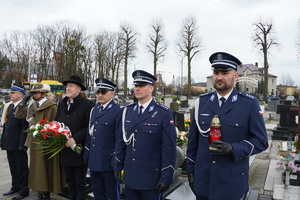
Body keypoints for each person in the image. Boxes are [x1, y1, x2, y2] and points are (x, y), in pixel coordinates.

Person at [186, 52, 269, 200]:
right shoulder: (201, 103)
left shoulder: (248, 104)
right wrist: (190, 170)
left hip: (231, 183)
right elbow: (193, 142)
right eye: (216, 72)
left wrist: (233, 148)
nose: (219, 77)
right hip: (203, 181)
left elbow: (261, 141)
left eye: (225, 73)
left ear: (235, 76)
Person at [113, 70, 176, 200]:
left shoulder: (163, 113)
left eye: (141, 86)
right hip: (130, 176)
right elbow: (121, 140)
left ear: (151, 88)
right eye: (136, 85)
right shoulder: (127, 111)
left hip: (151, 178)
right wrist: (117, 164)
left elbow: (168, 148)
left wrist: (166, 176)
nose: (137, 89)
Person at [14, 82, 66, 200]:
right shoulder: (33, 105)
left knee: (45, 168)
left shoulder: (51, 106)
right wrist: (23, 102)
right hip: (34, 140)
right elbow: (18, 115)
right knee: (36, 168)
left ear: (43, 93)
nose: (34, 95)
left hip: (45, 141)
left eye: (36, 93)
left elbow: (54, 124)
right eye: (32, 93)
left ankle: (45, 193)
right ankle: (39, 192)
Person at [55, 75, 95, 200]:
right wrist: (58, 135)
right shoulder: (62, 103)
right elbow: (57, 122)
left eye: (71, 86)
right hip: (65, 149)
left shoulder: (87, 104)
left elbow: (89, 126)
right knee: (70, 181)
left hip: (78, 149)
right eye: (67, 86)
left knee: (80, 182)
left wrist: (75, 139)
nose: (68, 88)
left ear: (79, 89)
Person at [84, 78, 123, 200]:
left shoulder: (118, 111)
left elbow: (119, 139)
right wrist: (87, 153)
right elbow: (90, 134)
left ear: (112, 93)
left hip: (109, 161)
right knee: (98, 192)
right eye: (98, 92)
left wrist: (117, 161)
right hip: (95, 159)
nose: (100, 95)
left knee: (112, 194)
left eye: (103, 92)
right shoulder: (95, 109)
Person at [0, 83, 29, 200]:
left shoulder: (23, 107)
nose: (10, 95)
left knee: (21, 167)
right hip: (10, 142)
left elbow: (24, 128)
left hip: (18, 144)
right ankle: (15, 186)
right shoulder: (10, 106)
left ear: (20, 94)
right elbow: (6, 125)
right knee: (13, 167)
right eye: (10, 93)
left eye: (12, 93)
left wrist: (23, 144)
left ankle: (23, 189)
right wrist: (3, 140)